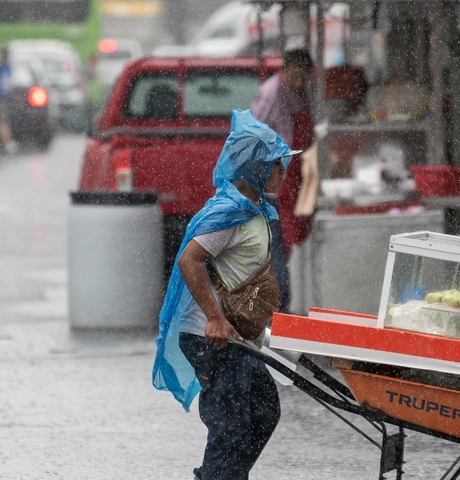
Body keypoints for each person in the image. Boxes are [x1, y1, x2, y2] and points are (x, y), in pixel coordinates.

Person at [152, 110, 299, 480]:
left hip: (237, 333)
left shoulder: (255, 210)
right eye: (277, 166)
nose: (283, 172)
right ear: (256, 169)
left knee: (263, 411)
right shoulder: (228, 211)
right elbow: (190, 260)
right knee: (230, 428)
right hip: (212, 335)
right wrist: (215, 318)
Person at [251, 48, 318, 314]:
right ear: (286, 69)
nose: (301, 83)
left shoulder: (299, 92)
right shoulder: (270, 94)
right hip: (273, 184)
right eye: (297, 76)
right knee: (276, 248)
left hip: (295, 181)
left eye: (305, 77)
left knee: (289, 247)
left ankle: (284, 308)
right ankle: (279, 311)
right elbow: (252, 138)